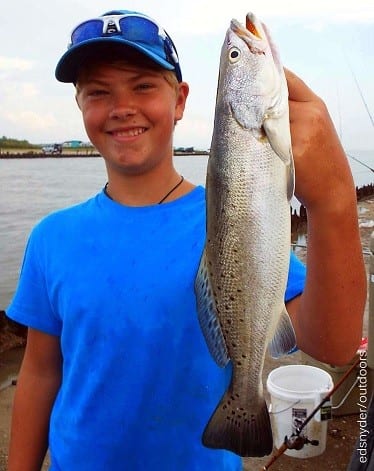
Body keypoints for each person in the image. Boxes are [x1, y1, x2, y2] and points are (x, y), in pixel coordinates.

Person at [6, 9, 367, 471]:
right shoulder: (50, 239)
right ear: (80, 106)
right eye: (98, 91)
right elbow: (39, 372)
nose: (121, 107)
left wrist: (334, 202)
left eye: (142, 85)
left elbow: (335, 344)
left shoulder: (226, 219)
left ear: (180, 100)